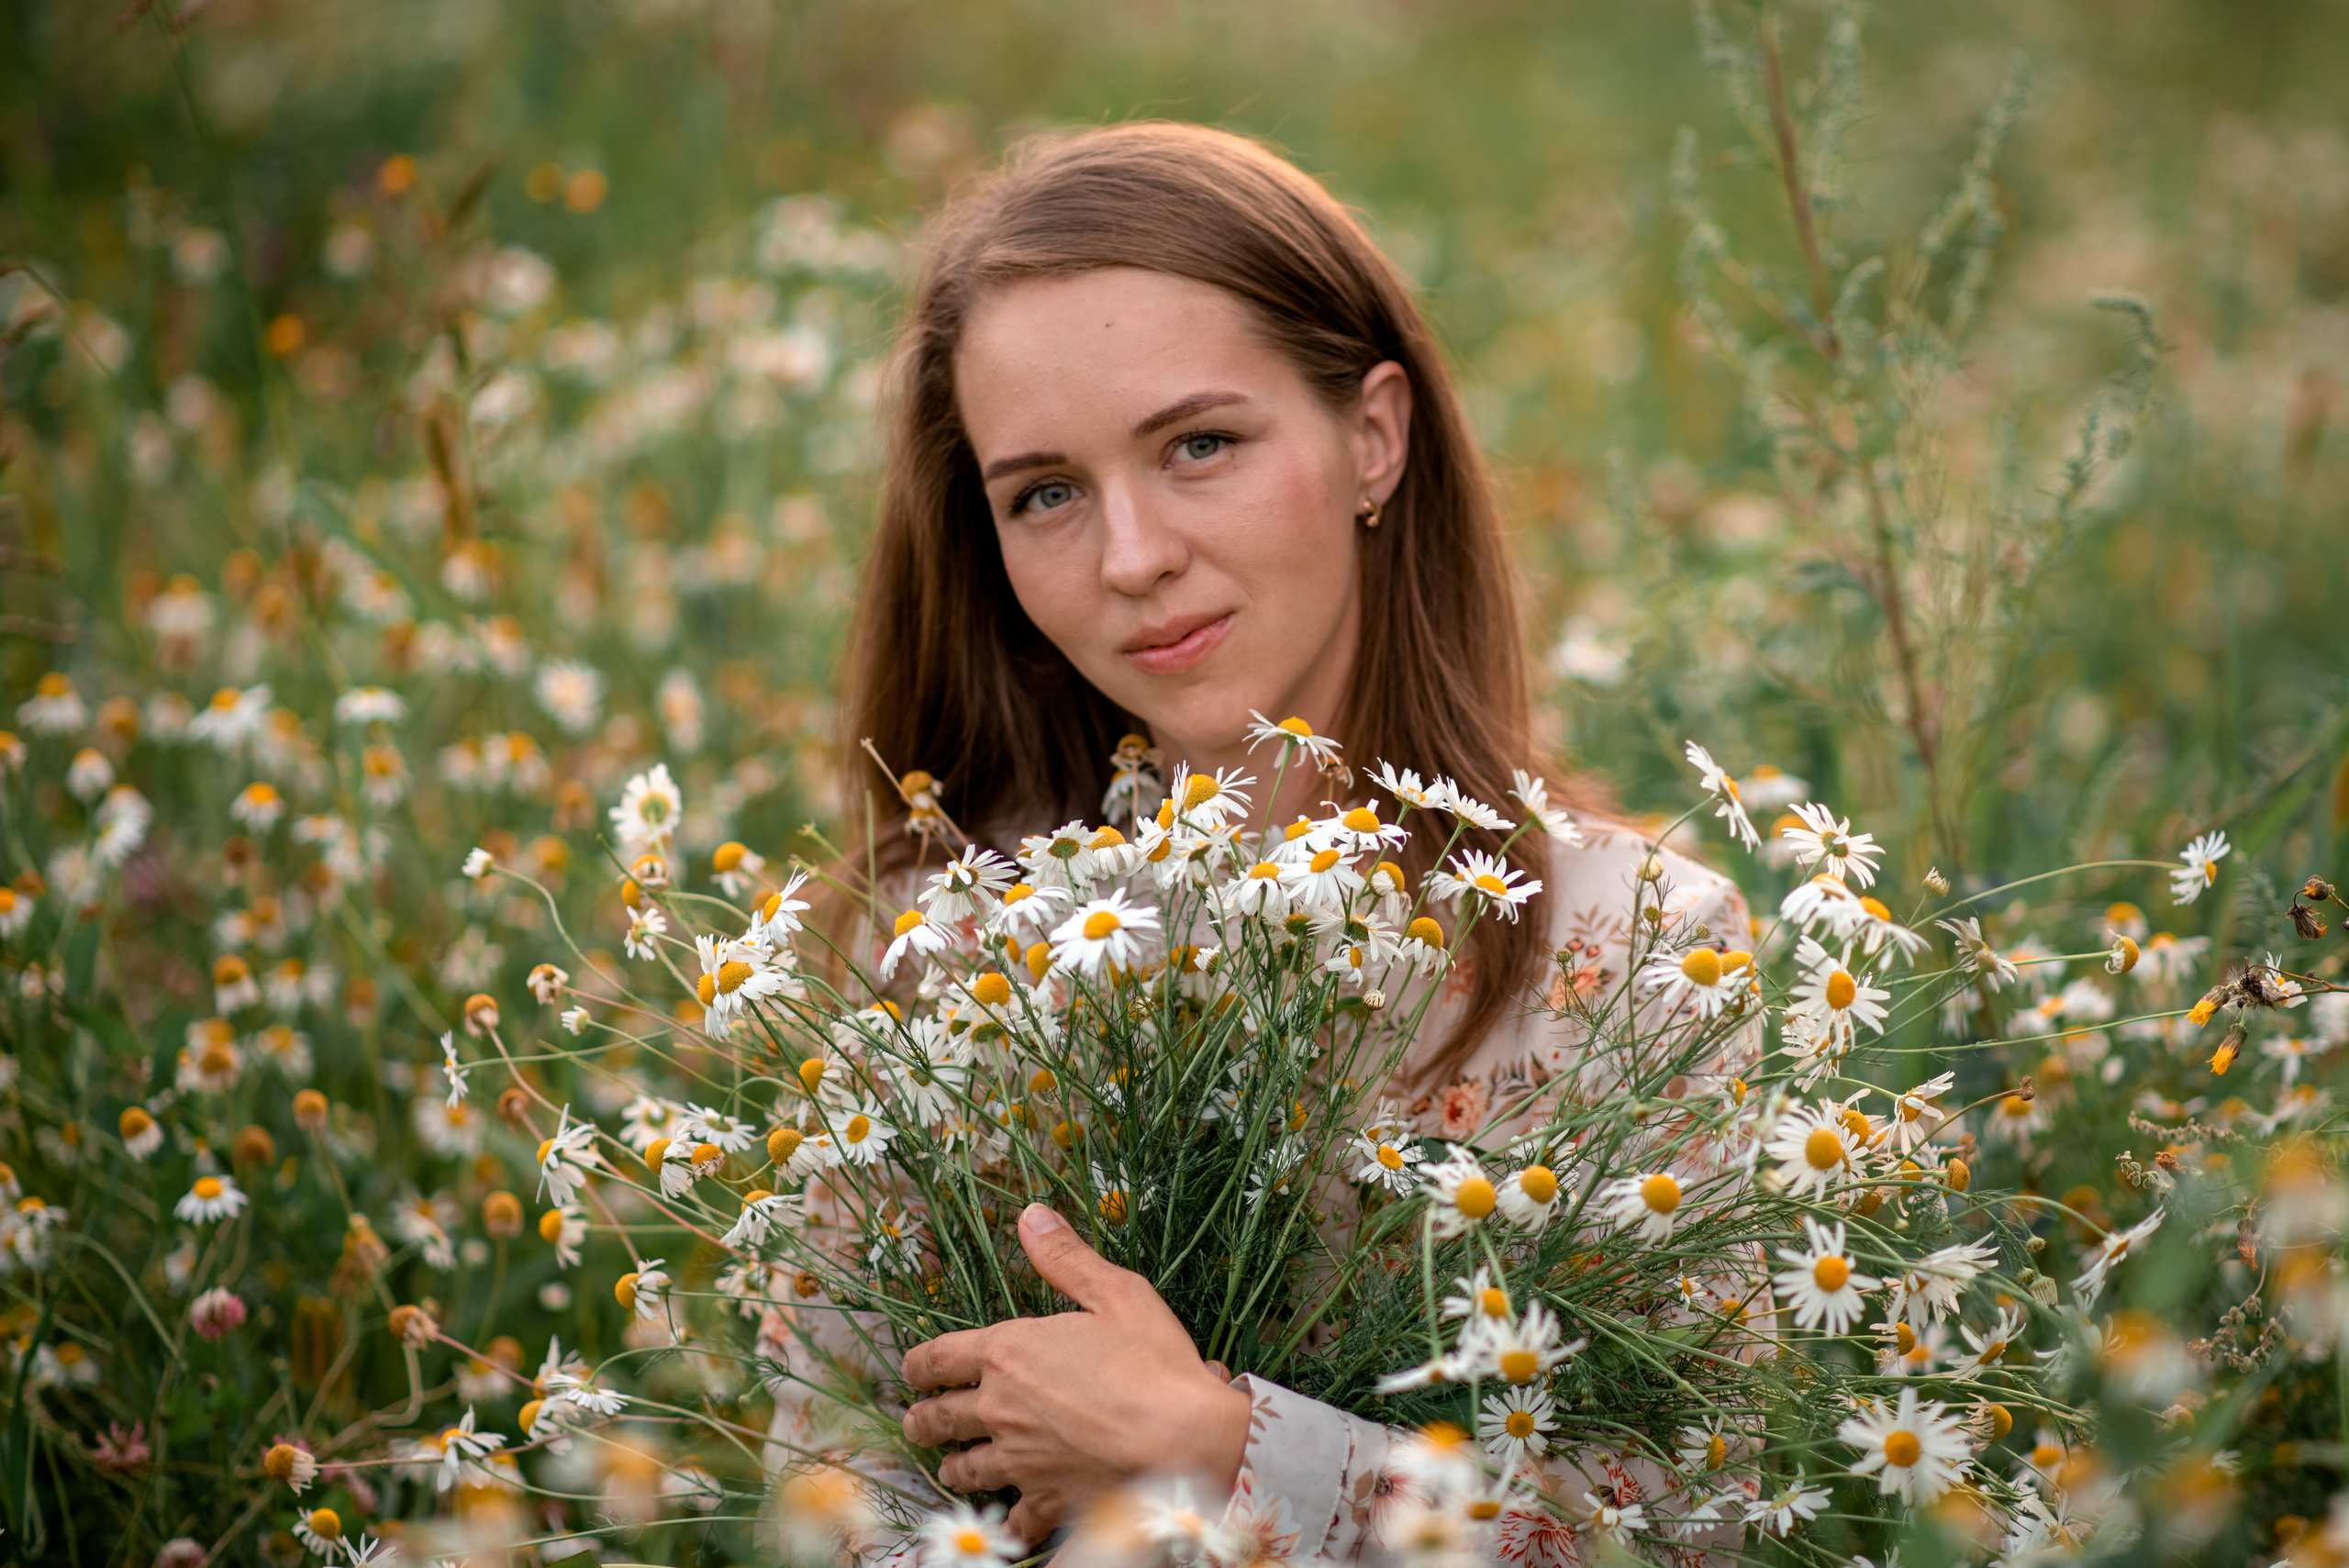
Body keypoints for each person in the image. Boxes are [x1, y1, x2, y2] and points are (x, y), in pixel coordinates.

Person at [801, 120, 1753, 1561]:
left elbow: (1701, 1527)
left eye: (1200, 444)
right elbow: (833, 1500)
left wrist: (1215, 1449)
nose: (1131, 556)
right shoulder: (947, 950)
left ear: (1374, 436)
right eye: (1045, 492)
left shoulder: (1635, 948)